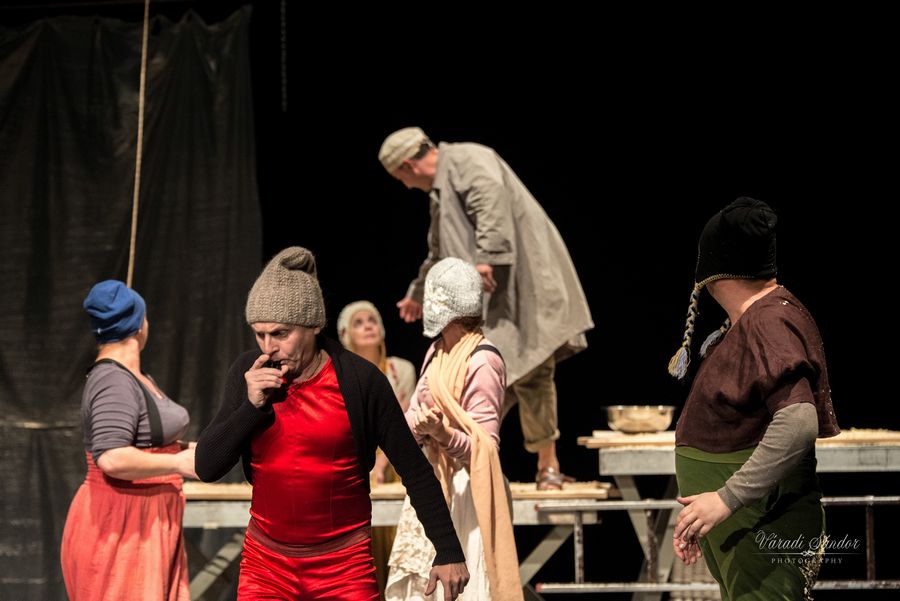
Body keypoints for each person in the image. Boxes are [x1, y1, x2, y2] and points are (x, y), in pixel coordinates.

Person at [194, 247, 469, 600]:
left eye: (280, 333)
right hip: (266, 565)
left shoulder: (360, 380)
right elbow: (207, 466)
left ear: (314, 326)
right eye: (259, 334)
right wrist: (250, 407)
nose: (268, 347)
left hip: (343, 566)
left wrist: (447, 550)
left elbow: (414, 470)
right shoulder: (249, 374)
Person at [378, 127, 594, 490]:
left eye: (401, 178)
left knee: (533, 371)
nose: (407, 186)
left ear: (407, 166)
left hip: (520, 289)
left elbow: (489, 202)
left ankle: (547, 465)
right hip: (490, 298)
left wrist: (488, 258)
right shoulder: (441, 193)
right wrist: (417, 292)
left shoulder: (468, 159)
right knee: (482, 377)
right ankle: (472, 463)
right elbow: (438, 249)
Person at [667, 198, 840, 600]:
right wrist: (703, 516)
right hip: (744, 526)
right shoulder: (757, 318)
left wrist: (724, 500)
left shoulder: (768, 321)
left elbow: (798, 422)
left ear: (712, 267)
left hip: (760, 522)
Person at [385, 257, 522, 601]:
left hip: (469, 493)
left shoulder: (483, 359)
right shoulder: (437, 351)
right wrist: (417, 427)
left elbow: (485, 448)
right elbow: (415, 414)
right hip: (434, 483)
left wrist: (442, 434)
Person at [61, 280, 197, 601]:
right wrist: (177, 462)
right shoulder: (113, 380)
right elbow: (112, 457)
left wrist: (190, 451)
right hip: (123, 525)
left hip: (148, 519)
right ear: (139, 324)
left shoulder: (133, 376)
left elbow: (145, 444)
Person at [336, 300, 417, 596]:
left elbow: (404, 423)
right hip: (355, 465)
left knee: (397, 542)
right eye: (358, 323)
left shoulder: (400, 370)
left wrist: (381, 465)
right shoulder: (340, 374)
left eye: (372, 320)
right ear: (346, 334)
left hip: (395, 466)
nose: (368, 326)